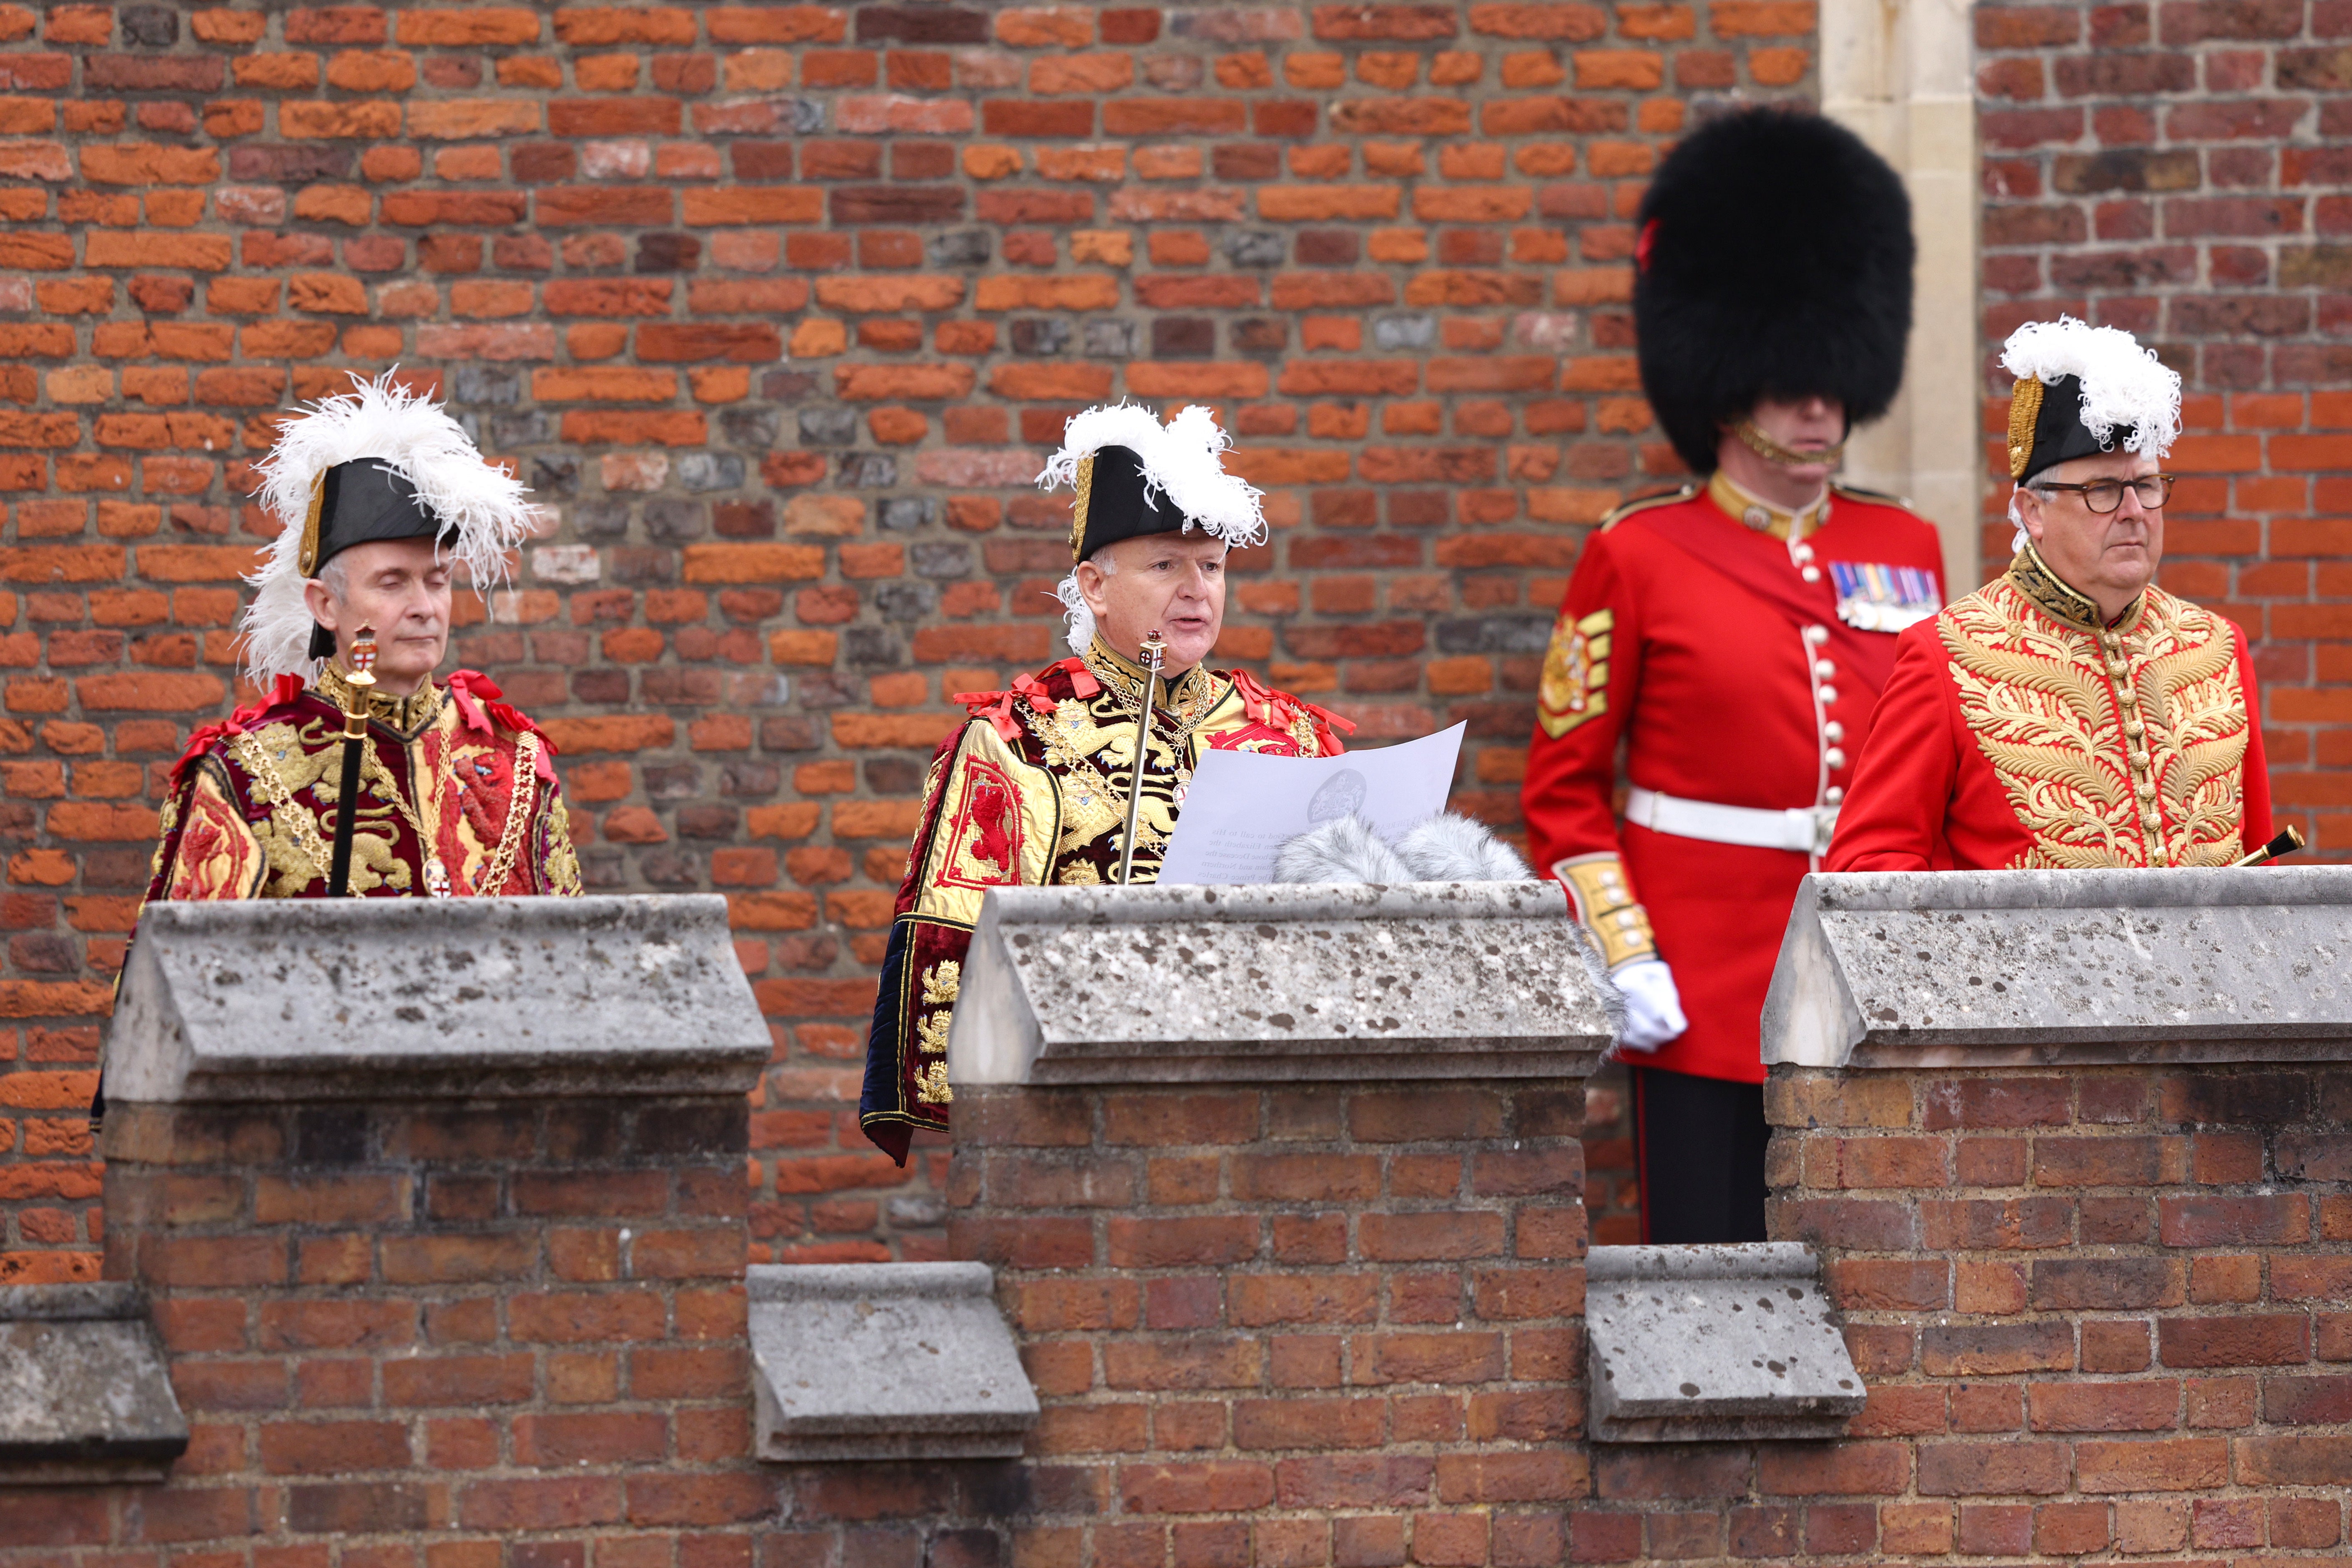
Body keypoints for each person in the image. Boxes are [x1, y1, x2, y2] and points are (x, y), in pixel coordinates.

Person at [1520, 108, 1946, 1244]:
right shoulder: (1638, 554)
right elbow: (1563, 797)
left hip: (1864, 971)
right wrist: (1624, 953)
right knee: (1704, 1280)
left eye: (1830, 377)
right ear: (1722, 382)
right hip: (1700, 992)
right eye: (1786, 378)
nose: (1818, 404)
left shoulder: (1905, 548)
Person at [859, 404, 1350, 1164]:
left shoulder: (1292, 735)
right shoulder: (1017, 739)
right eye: (1166, 565)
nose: (1197, 589)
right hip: (1084, 1128)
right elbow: (956, 947)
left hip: (1273, 1119)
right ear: (1094, 585)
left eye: (1212, 565)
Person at [1826, 317, 2271, 871]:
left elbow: (2260, 874)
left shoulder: (2217, 649)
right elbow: (1868, 872)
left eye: (2148, 485)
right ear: (2033, 512)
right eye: (2103, 490)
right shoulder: (1943, 658)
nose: (2134, 512)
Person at [143, 371, 581, 905]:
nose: (425, 607)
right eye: (393, 582)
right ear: (326, 605)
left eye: (438, 580)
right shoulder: (243, 773)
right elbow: (184, 976)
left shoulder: (515, 763)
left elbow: (576, 965)